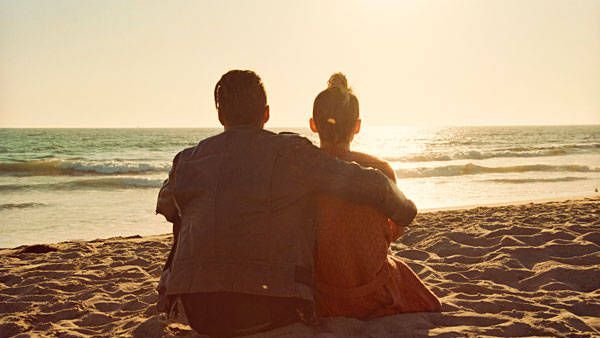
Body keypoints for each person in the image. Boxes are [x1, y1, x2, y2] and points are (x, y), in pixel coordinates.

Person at [156, 70, 418, 337]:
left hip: (200, 313)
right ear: (266, 113)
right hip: (271, 307)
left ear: (221, 116)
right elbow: (370, 184)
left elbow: (166, 206)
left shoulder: (187, 161)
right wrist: (406, 211)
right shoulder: (291, 154)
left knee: (184, 210)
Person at [311, 73, 442, 319]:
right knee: (429, 301)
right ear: (357, 126)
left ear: (313, 124)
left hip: (321, 296)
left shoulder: (302, 173)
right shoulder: (380, 170)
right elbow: (398, 227)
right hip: (374, 291)